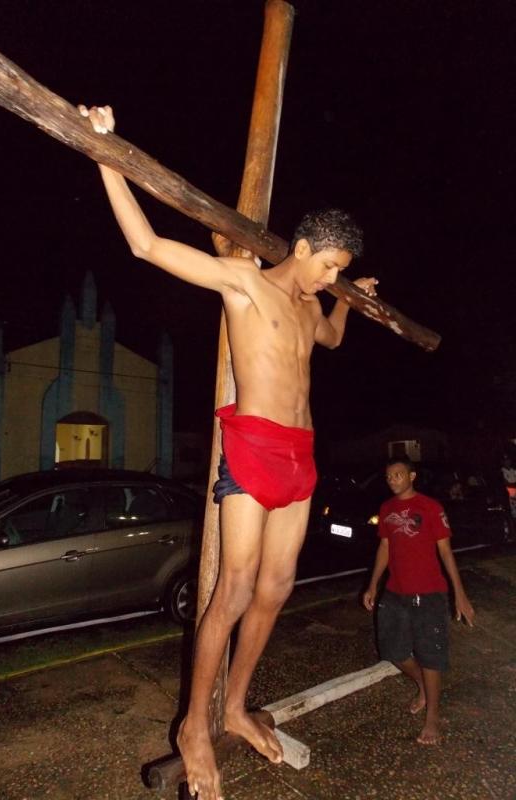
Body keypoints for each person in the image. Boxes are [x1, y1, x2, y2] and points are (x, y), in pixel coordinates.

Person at [79, 104, 377, 800]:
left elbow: (332, 338)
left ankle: (237, 707)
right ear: (303, 247)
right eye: (329, 266)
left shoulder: (313, 306)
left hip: (301, 455)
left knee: (276, 590)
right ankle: (195, 725)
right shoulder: (244, 283)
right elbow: (147, 246)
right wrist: (104, 156)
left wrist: (349, 301)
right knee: (235, 588)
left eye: (339, 271)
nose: (328, 278)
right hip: (252, 445)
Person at [363, 458, 475, 745]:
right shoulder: (387, 509)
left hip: (429, 595)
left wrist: (459, 593)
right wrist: (373, 584)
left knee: (431, 656)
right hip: (395, 593)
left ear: (412, 476)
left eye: (398, 474)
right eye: (389, 476)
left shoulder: (430, 507)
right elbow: (385, 546)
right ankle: (422, 685)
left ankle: (432, 717)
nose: (393, 480)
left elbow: (446, 552)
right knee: (392, 650)